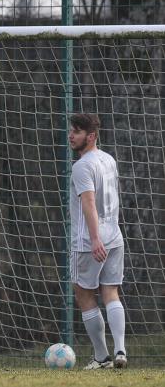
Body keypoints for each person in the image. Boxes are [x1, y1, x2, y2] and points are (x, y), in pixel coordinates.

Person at [68, 113, 127, 369]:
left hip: (89, 241)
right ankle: (121, 350)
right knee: (110, 292)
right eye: (71, 131)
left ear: (90, 137)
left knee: (83, 293)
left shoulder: (81, 166)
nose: (71, 135)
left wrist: (93, 240)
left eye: (77, 132)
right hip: (114, 235)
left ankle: (102, 357)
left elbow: (89, 202)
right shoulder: (109, 159)